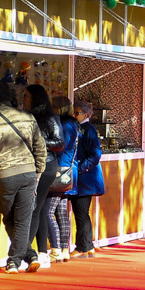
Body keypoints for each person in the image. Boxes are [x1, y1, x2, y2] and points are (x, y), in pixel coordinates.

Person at [0, 80, 47, 273]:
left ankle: (14, 261)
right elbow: (40, 148)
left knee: (9, 219)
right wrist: (38, 173)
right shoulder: (28, 118)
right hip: (28, 173)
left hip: (4, 175)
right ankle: (30, 255)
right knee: (23, 220)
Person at [22, 85, 64, 269]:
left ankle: (28, 253)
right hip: (36, 164)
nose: (24, 99)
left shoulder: (49, 117)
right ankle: (40, 252)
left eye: (27, 96)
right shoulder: (31, 117)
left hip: (45, 165)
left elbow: (60, 142)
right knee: (37, 209)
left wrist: (38, 142)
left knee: (35, 208)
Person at [69, 100, 104, 258]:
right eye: (74, 112)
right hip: (84, 178)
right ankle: (87, 244)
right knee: (82, 212)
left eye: (77, 113)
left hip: (85, 178)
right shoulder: (82, 128)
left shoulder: (88, 130)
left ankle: (82, 246)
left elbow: (96, 154)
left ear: (86, 114)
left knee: (81, 212)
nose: (74, 115)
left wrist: (81, 168)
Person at [46, 96, 79, 262]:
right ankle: (64, 249)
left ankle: (56, 248)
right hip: (67, 171)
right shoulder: (73, 124)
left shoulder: (63, 125)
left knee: (47, 212)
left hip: (58, 169)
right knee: (61, 212)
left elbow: (59, 146)